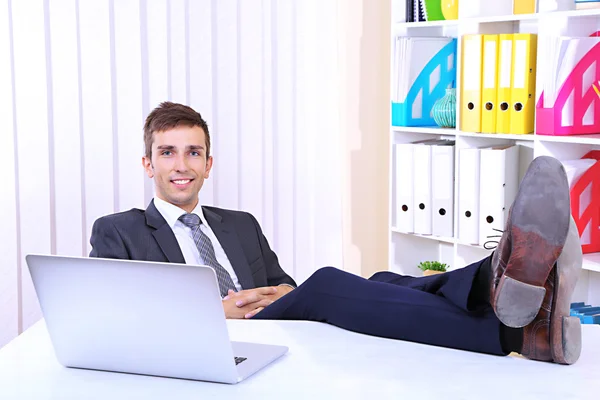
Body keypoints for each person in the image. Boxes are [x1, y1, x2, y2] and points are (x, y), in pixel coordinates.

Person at [90, 101, 582, 365]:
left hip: (272, 324)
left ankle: (497, 290)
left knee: (383, 280)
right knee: (326, 284)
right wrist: (217, 309)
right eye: (168, 152)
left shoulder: (238, 224)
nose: (182, 165)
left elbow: (286, 286)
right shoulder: (119, 231)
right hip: (213, 338)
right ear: (147, 162)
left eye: (193, 152)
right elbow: (116, 316)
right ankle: (510, 321)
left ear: (209, 164)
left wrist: (278, 293)